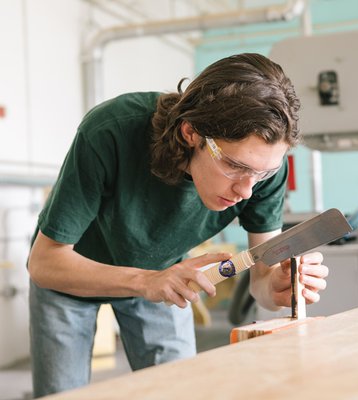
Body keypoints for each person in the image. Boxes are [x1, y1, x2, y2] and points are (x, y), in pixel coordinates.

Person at [28, 53, 328, 398]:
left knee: (178, 391)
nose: (247, 189)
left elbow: (261, 282)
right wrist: (146, 280)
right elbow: (44, 263)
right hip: (73, 275)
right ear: (191, 133)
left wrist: (276, 285)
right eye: (234, 166)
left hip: (162, 277)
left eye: (263, 174)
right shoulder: (110, 130)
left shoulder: (261, 172)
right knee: (60, 393)